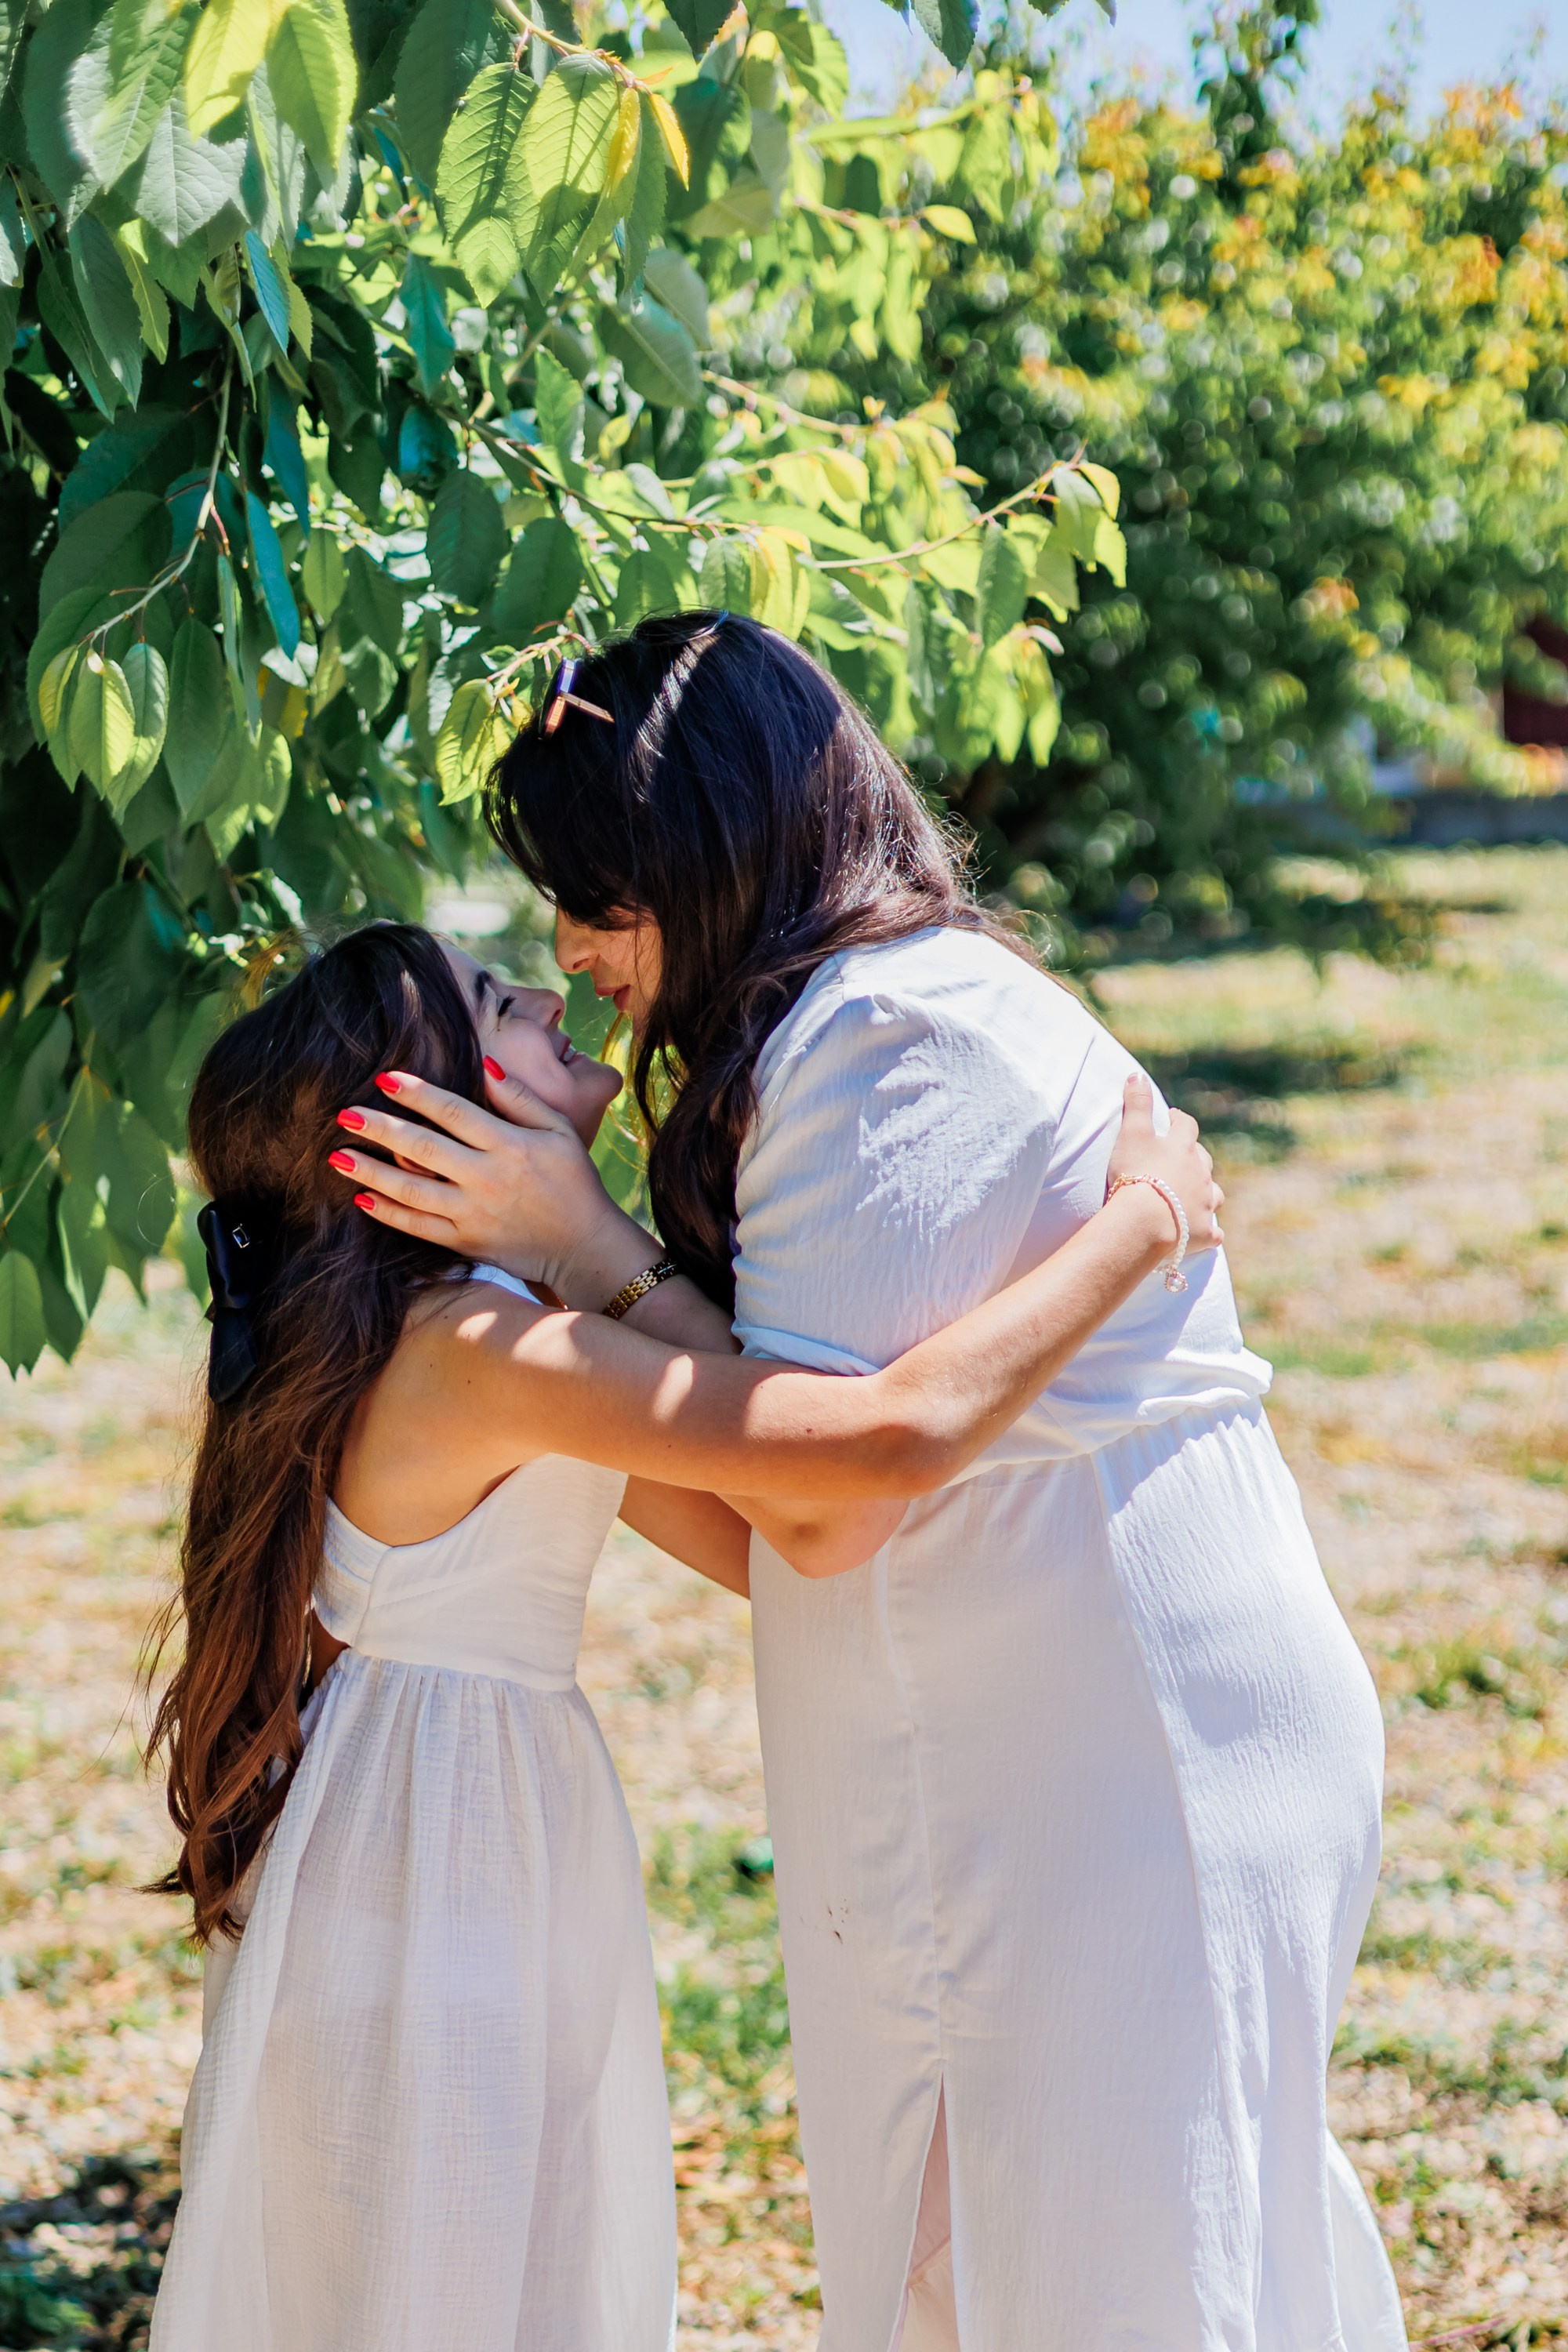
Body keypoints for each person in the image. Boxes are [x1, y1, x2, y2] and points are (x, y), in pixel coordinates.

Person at [350, 614, 1409, 2352]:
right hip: (1009, 1736)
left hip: (1110, 1745)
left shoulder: (885, 1033)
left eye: (599, 895)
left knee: (1111, 2277)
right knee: (1002, 2271)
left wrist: (586, 1248)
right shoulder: (827, 1040)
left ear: (712, 854)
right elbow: (770, 1500)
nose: (572, 949)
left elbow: (835, 1495)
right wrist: (552, 1337)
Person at [146, 919, 1223, 2352]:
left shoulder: (491, 1332)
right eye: (492, 1002)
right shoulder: (478, 1354)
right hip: (436, 1858)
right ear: (427, 1125)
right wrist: (1140, 1225)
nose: (541, 990)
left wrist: (590, 1251)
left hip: (455, 1840)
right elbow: (871, 1443)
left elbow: (763, 1538)